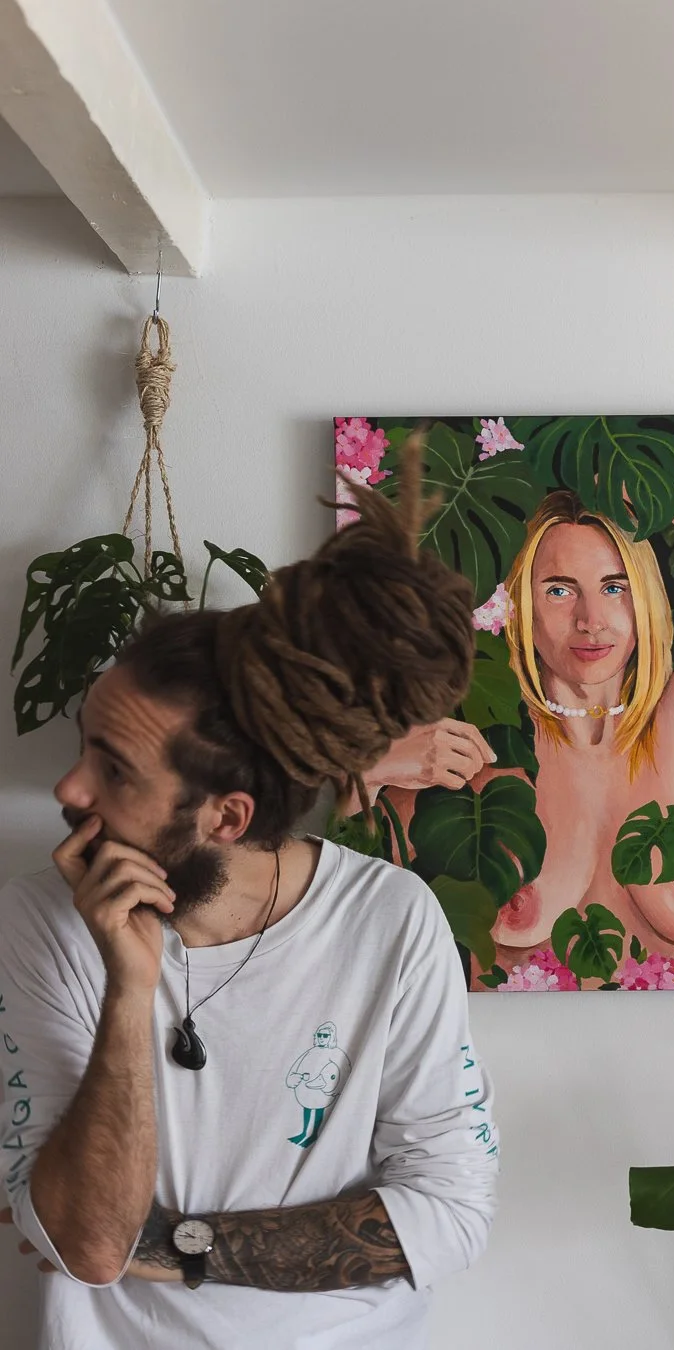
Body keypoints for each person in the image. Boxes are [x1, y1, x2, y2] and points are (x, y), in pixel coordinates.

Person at [0, 441, 499, 1349]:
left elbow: (448, 1212)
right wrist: (129, 992)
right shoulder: (37, 923)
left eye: (112, 771)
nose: (68, 792)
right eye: (85, 749)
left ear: (226, 818)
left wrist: (177, 1246)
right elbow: (85, 1243)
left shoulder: (391, 922)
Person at [362, 471, 674, 978]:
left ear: (643, 596)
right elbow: (348, 906)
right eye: (559, 590)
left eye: (614, 586)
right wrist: (373, 768)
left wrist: (651, 486)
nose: (591, 619)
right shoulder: (475, 756)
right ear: (520, 604)